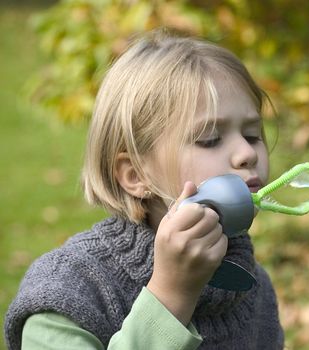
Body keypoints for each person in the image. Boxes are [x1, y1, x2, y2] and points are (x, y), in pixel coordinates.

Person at [4, 30, 284, 349]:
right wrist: (171, 295)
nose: (247, 154)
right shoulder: (67, 292)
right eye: (209, 139)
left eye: (251, 135)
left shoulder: (251, 285)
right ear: (135, 174)